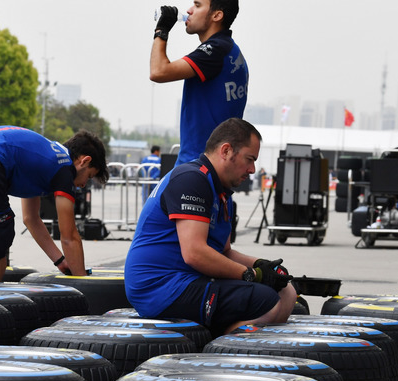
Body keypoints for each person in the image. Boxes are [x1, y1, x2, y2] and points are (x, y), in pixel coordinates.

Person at [124, 118, 295, 336]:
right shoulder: (192, 180)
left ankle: (224, 333)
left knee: (286, 293)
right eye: (249, 159)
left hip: (187, 279)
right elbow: (195, 254)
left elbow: (224, 253)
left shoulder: (223, 195)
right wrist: (253, 274)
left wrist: (263, 265)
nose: (252, 170)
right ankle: (214, 343)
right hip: (161, 287)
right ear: (226, 150)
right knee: (267, 301)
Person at [0, 125, 108, 288]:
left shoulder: (46, 156)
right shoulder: (65, 168)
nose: (84, 185)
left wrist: (60, 260)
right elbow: (69, 236)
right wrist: (83, 284)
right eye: (89, 176)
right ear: (84, 161)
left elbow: (31, 219)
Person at [150, 1, 248, 167]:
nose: (189, 10)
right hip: (214, 166)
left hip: (197, 165)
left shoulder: (215, 50)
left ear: (217, 15)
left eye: (197, 5)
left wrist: (162, 31)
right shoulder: (231, 51)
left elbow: (158, 71)